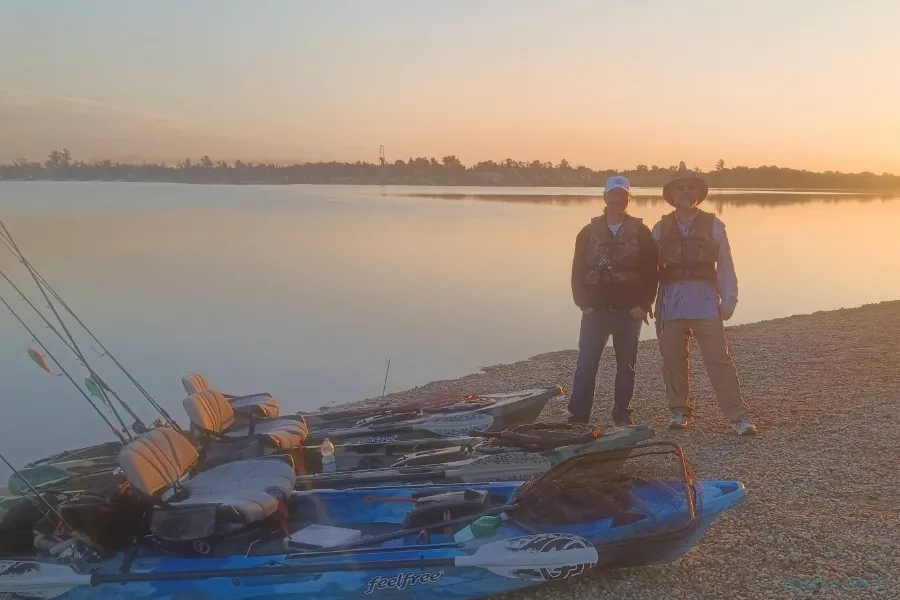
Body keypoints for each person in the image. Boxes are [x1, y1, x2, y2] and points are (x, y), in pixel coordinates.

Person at [652, 169, 757, 436]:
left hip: (706, 304)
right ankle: (679, 411)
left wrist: (729, 301)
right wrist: (644, 302)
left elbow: (726, 266)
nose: (686, 193)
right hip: (669, 306)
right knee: (673, 361)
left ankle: (738, 416)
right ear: (672, 195)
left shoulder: (714, 225)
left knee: (719, 361)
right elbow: (647, 271)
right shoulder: (660, 228)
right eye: (680, 188)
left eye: (690, 188)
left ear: (698, 194)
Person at [568, 175, 659, 426]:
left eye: (622, 195)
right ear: (605, 197)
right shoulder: (587, 232)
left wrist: (643, 305)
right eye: (612, 194)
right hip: (594, 310)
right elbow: (577, 269)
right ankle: (578, 415)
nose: (617, 199)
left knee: (626, 367)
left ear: (629, 198)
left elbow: (652, 271)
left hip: (628, 312)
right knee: (586, 365)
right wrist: (582, 303)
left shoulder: (641, 232)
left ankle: (621, 413)